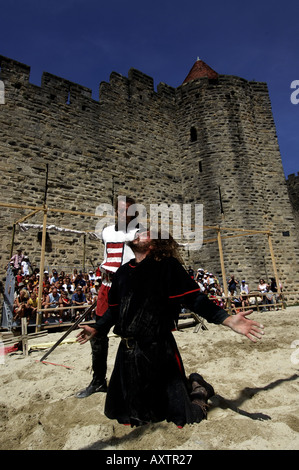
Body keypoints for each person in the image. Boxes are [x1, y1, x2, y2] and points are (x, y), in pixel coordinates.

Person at [77, 231, 264, 428]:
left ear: (154, 245)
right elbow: (114, 311)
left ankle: (199, 390)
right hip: (126, 355)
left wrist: (227, 320)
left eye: (144, 234)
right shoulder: (122, 273)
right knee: (124, 415)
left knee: (181, 418)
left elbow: (195, 299)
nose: (138, 234)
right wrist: (97, 328)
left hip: (158, 352)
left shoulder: (167, 267)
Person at [75, 196, 139, 398]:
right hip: (107, 285)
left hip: (129, 288)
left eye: (127, 210)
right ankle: (98, 381)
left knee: (132, 334)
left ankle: (134, 380)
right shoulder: (106, 232)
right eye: (119, 209)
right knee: (97, 333)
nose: (122, 213)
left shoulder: (140, 234)